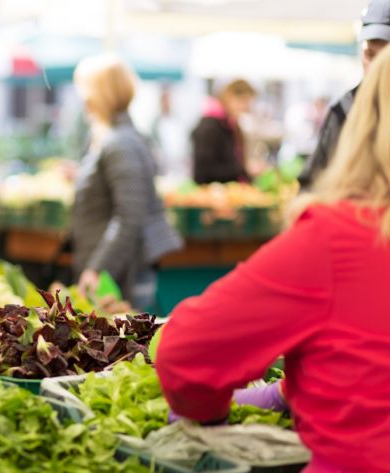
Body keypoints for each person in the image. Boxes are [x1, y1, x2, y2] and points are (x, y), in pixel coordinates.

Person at [155, 46, 390, 473]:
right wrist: (290, 391)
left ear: (364, 124)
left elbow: (185, 354)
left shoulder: (337, 239)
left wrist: (209, 411)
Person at [70, 54, 182, 310]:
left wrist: (97, 268)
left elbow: (129, 217)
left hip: (122, 276)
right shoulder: (113, 138)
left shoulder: (119, 144)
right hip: (116, 271)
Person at [298, 0, 390, 189]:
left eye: (384, 58)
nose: (375, 67)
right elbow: (312, 183)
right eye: (370, 54)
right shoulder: (344, 109)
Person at [191, 79, 256, 184]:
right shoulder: (210, 127)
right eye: (244, 101)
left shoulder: (230, 124)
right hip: (212, 195)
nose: (246, 108)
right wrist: (241, 169)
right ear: (229, 97)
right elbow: (203, 172)